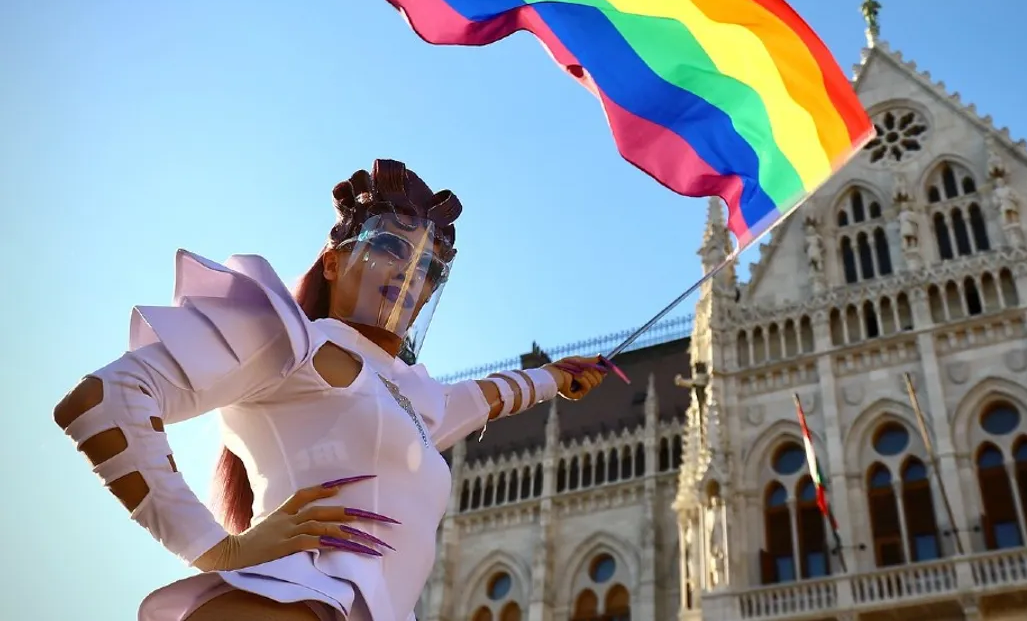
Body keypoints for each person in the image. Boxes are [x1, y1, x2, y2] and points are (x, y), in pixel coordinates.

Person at [54, 160, 612, 621]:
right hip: (291, 603)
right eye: (391, 247)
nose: (409, 275)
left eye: (428, 268)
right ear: (332, 260)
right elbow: (106, 400)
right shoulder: (289, 340)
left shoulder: (414, 403)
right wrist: (214, 547)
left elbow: (486, 396)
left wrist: (554, 377)